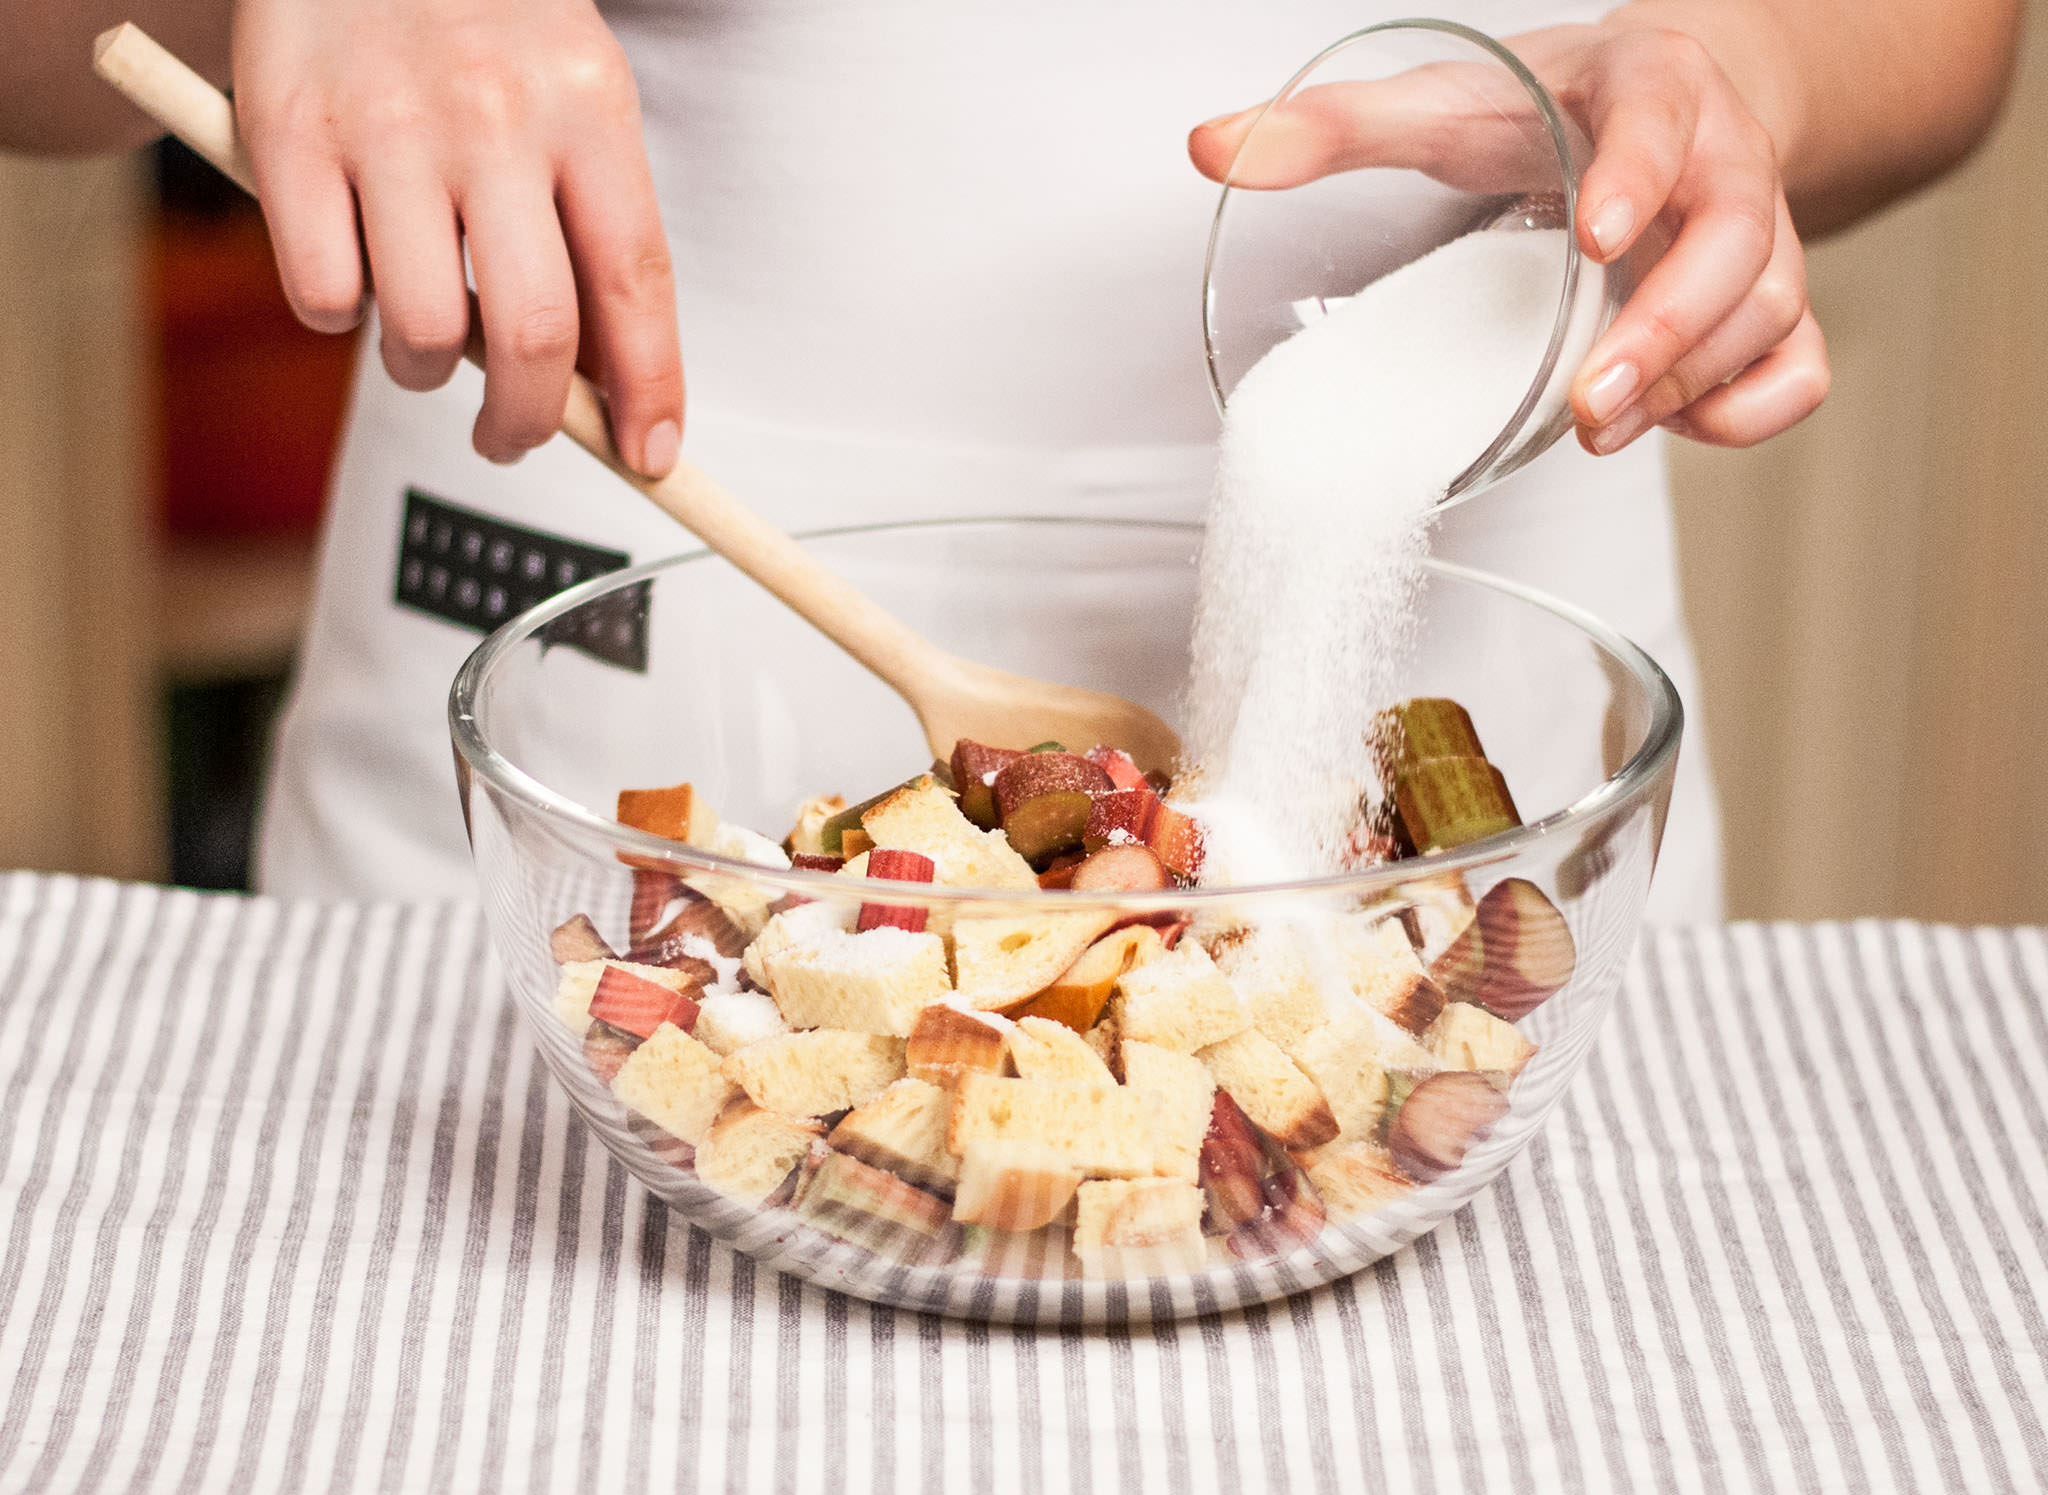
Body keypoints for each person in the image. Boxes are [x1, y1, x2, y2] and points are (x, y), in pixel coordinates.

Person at [2, 0, 2021, 921]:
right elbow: (46, 63)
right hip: (569, 693)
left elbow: (1946, 37)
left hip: (1484, 723)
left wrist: (1740, 70)